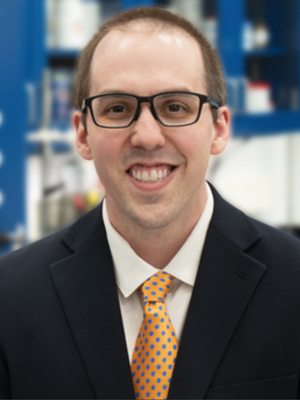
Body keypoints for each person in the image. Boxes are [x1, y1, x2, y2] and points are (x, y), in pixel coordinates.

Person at [1, 6, 300, 400]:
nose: (147, 137)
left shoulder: (293, 285)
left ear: (219, 128)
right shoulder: (10, 298)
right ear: (83, 134)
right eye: (117, 109)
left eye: (175, 107)